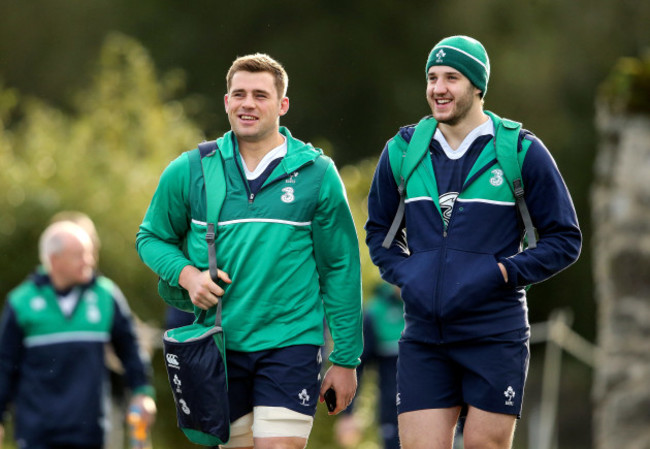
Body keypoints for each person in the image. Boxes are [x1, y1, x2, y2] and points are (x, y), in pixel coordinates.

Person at [365, 35, 582, 449]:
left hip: (494, 333)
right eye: (432, 77)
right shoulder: (403, 150)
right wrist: (407, 273)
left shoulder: (520, 150)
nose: (438, 88)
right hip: (425, 335)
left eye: (452, 77)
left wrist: (503, 272)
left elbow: (565, 238)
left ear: (478, 86)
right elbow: (379, 232)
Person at [136, 53, 362, 449]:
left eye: (260, 95)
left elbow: (340, 267)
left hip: (292, 343)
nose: (247, 104)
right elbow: (151, 238)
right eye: (238, 94)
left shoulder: (318, 174)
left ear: (282, 105)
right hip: (219, 345)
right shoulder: (190, 170)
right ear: (226, 102)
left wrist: (345, 358)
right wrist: (189, 277)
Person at [0, 220, 156, 449]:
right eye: (80, 256)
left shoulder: (106, 295)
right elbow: (5, 365)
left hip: (90, 431)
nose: (89, 261)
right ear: (55, 260)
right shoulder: (21, 303)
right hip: (37, 433)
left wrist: (142, 392)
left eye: (89, 254)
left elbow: (129, 349)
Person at [335, 282, 403, 449]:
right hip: (393, 413)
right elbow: (357, 366)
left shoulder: (441, 308)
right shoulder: (375, 312)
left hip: (444, 410)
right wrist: (348, 413)